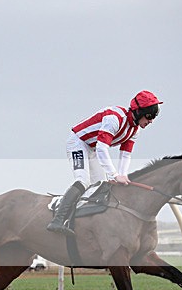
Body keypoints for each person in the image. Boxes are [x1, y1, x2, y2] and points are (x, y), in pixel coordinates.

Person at [46, 90, 163, 235]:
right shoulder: (114, 119)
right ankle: (57, 220)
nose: (151, 121)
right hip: (78, 143)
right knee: (83, 181)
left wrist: (122, 175)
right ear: (139, 111)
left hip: (92, 148)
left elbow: (125, 155)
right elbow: (102, 148)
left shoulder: (134, 130)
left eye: (153, 118)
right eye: (149, 116)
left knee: (101, 186)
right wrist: (114, 174)